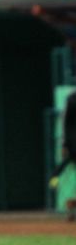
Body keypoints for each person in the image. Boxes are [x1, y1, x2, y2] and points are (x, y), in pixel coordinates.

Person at [49, 90, 76, 220]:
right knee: (65, 165)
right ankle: (70, 207)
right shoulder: (71, 100)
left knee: (63, 167)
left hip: (71, 144)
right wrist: (65, 144)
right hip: (73, 144)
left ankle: (71, 206)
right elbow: (66, 124)